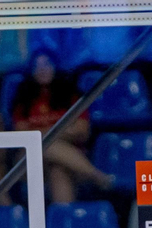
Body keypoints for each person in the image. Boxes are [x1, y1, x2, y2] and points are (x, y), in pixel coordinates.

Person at [10, 51, 114, 203]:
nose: (42, 69)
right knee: (42, 145)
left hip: (70, 159)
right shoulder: (23, 99)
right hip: (29, 163)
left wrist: (43, 133)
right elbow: (23, 136)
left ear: (55, 67)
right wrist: (62, 132)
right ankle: (96, 175)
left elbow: (82, 131)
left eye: (46, 64)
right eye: (37, 66)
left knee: (57, 169)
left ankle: (64, 223)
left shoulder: (71, 95)